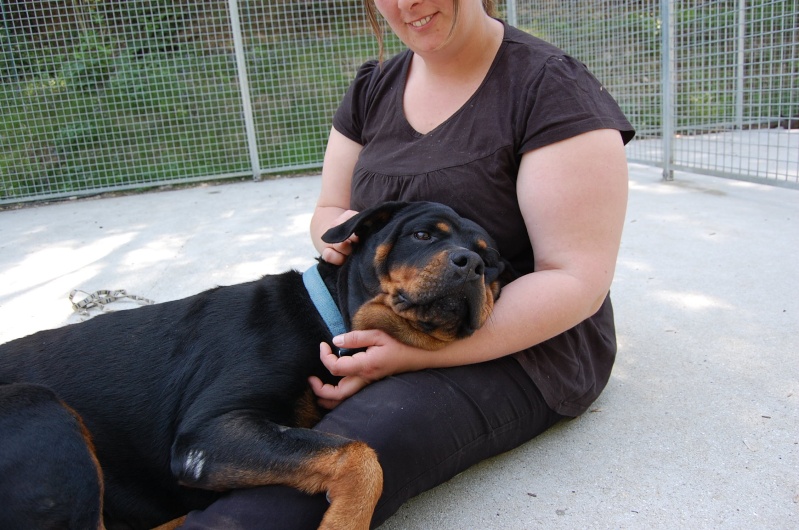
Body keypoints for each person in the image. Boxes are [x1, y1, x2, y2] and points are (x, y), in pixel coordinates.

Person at [182, 0, 634, 528]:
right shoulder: (374, 86)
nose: (405, 3)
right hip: (387, 318)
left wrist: (412, 356)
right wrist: (341, 240)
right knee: (233, 439)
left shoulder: (547, 86)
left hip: (525, 344)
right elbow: (330, 209)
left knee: (312, 479)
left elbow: (576, 278)